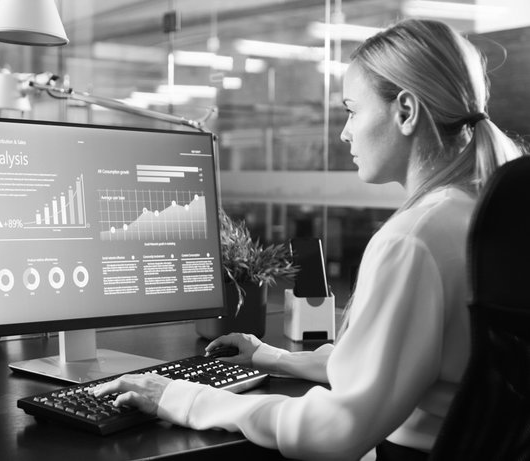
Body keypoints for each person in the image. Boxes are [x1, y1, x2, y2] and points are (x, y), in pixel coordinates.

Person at [93, 18, 525, 461]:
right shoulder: (484, 211)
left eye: (352, 110)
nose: (344, 131)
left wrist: (185, 399)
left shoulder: (414, 240)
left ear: (406, 111)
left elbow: (336, 431)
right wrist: (275, 358)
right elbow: (397, 364)